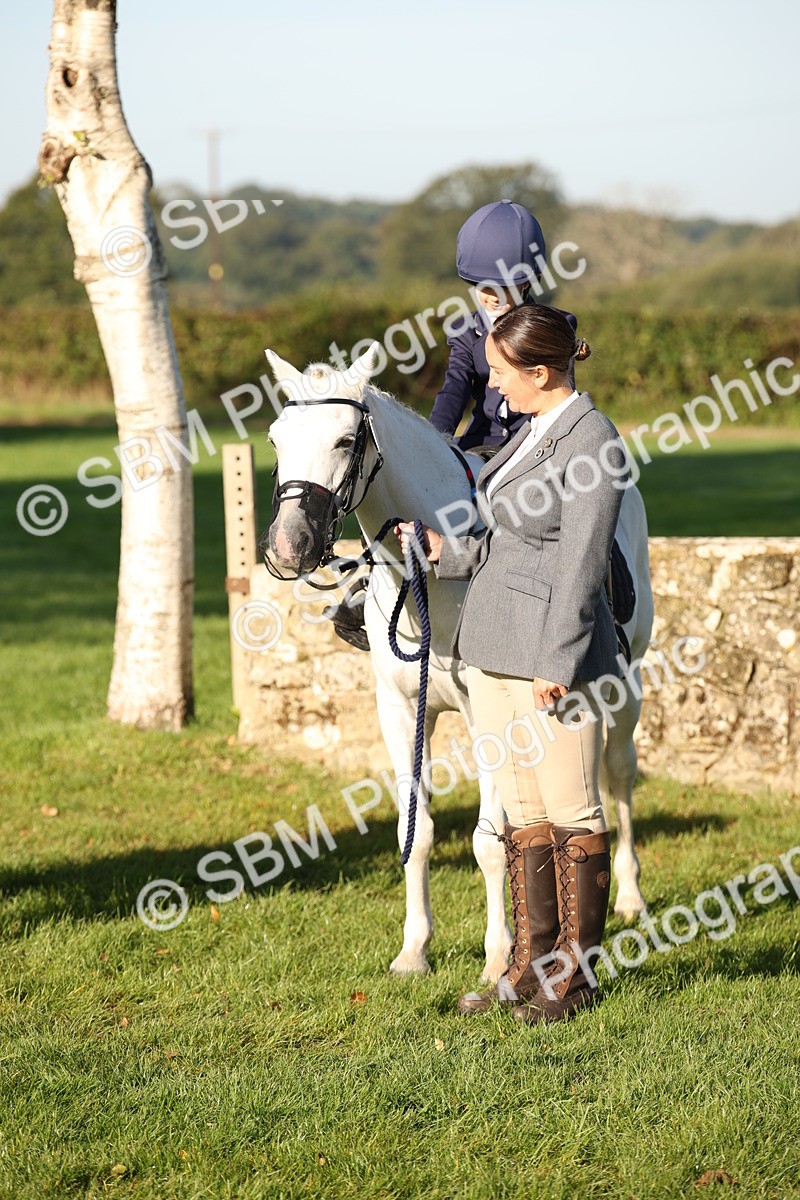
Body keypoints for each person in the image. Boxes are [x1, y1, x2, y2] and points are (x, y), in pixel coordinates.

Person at [397, 304, 627, 1025]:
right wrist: (441, 548)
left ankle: (574, 979)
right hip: (492, 651)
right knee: (524, 815)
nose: (491, 389)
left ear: (540, 370)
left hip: (549, 661)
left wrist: (554, 662)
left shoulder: (594, 443)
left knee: (571, 812)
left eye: (500, 374)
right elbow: (501, 536)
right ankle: (530, 968)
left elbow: (583, 564)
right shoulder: (533, 435)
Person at [428, 199, 577, 451]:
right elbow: (455, 389)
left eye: (506, 286)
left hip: (535, 443)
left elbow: (561, 397)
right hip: (481, 443)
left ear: (527, 282)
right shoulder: (464, 332)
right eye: (486, 286)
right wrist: (430, 441)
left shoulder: (555, 326)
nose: (495, 296)